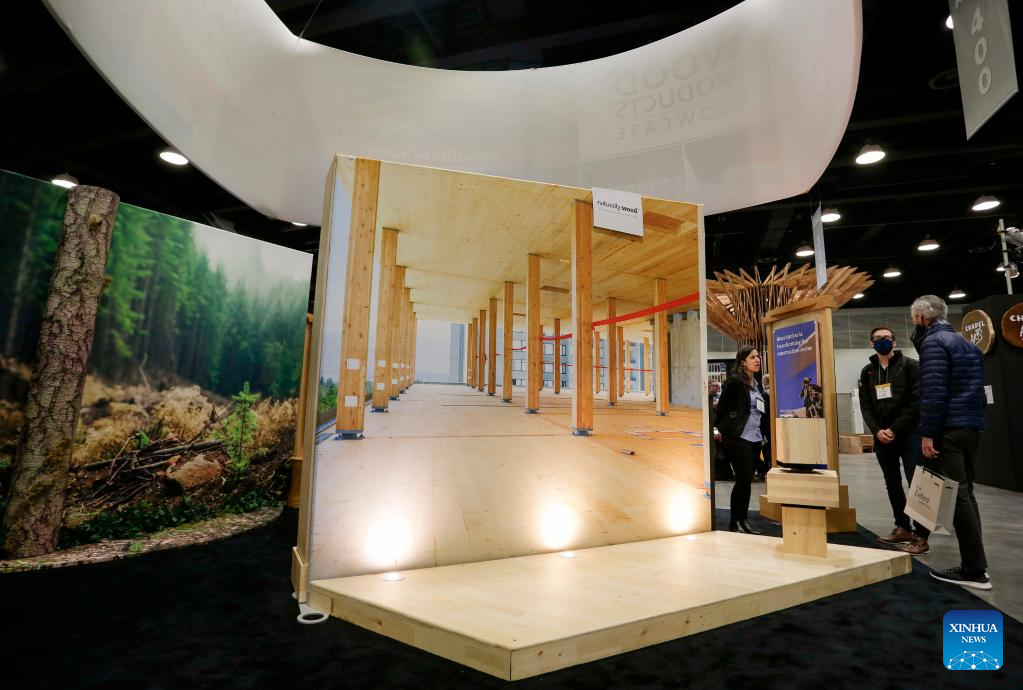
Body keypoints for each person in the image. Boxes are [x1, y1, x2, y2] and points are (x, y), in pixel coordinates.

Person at [911, 295, 990, 590]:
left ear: (921, 318)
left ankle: (973, 570)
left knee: (956, 496)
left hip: (949, 429)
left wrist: (928, 432)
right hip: (972, 426)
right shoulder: (966, 344)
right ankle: (976, 563)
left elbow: (934, 392)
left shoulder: (934, 343)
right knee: (967, 494)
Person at [857, 325, 930, 554]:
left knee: (916, 483)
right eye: (878, 338)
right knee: (892, 482)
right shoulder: (868, 372)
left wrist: (894, 429)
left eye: (887, 337)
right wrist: (877, 430)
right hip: (882, 437)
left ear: (894, 342)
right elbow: (866, 405)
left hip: (909, 434)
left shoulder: (911, 366)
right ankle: (902, 527)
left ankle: (921, 536)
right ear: (871, 343)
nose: (883, 341)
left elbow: (916, 402)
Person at [716, 347, 765, 534]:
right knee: (743, 479)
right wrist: (727, 430)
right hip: (739, 438)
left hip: (755, 438)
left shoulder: (756, 384)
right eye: (752, 357)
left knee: (747, 481)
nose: (757, 359)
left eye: (758, 356)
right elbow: (721, 409)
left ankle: (743, 521)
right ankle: (735, 522)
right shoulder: (735, 381)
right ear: (743, 361)